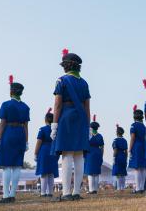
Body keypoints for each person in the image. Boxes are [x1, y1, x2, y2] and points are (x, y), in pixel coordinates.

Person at [50, 49, 91, 201]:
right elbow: (87, 107)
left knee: (67, 155)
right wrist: (87, 126)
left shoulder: (61, 81)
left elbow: (57, 105)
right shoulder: (84, 83)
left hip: (66, 118)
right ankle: (76, 192)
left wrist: (54, 125)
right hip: (81, 120)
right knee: (79, 155)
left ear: (66, 66)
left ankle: (66, 192)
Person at [0, 75, 30, 203]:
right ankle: (12, 194)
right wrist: (26, 141)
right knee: (16, 166)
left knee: (6, 166)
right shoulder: (26, 107)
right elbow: (26, 126)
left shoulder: (6, 105)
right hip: (21, 134)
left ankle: (5, 195)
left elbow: (2, 123)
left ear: (11, 92)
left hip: (9, 133)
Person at [34, 108, 59, 198]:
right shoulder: (57, 130)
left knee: (44, 172)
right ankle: (50, 192)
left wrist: (35, 153)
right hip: (53, 151)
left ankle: (43, 193)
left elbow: (39, 142)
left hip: (44, 151)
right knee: (51, 173)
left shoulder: (42, 129)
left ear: (45, 120)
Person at [128, 106, 146, 194]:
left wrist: (129, 149)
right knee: (143, 168)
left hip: (136, 147)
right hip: (144, 146)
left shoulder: (133, 125)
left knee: (137, 168)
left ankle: (138, 188)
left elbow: (132, 138)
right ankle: (142, 187)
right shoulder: (144, 126)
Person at [84, 117, 104, 194]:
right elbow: (102, 147)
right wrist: (101, 156)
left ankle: (91, 190)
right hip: (98, 153)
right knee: (96, 172)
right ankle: (95, 189)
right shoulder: (100, 136)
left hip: (89, 153)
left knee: (90, 172)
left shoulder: (89, 136)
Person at [112, 125, 128, 191]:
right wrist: (126, 158)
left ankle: (119, 188)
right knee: (123, 173)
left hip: (118, 156)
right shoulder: (125, 140)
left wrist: (113, 158)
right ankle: (123, 187)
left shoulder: (115, 140)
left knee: (118, 173)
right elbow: (126, 151)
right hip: (123, 156)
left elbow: (115, 150)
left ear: (117, 133)